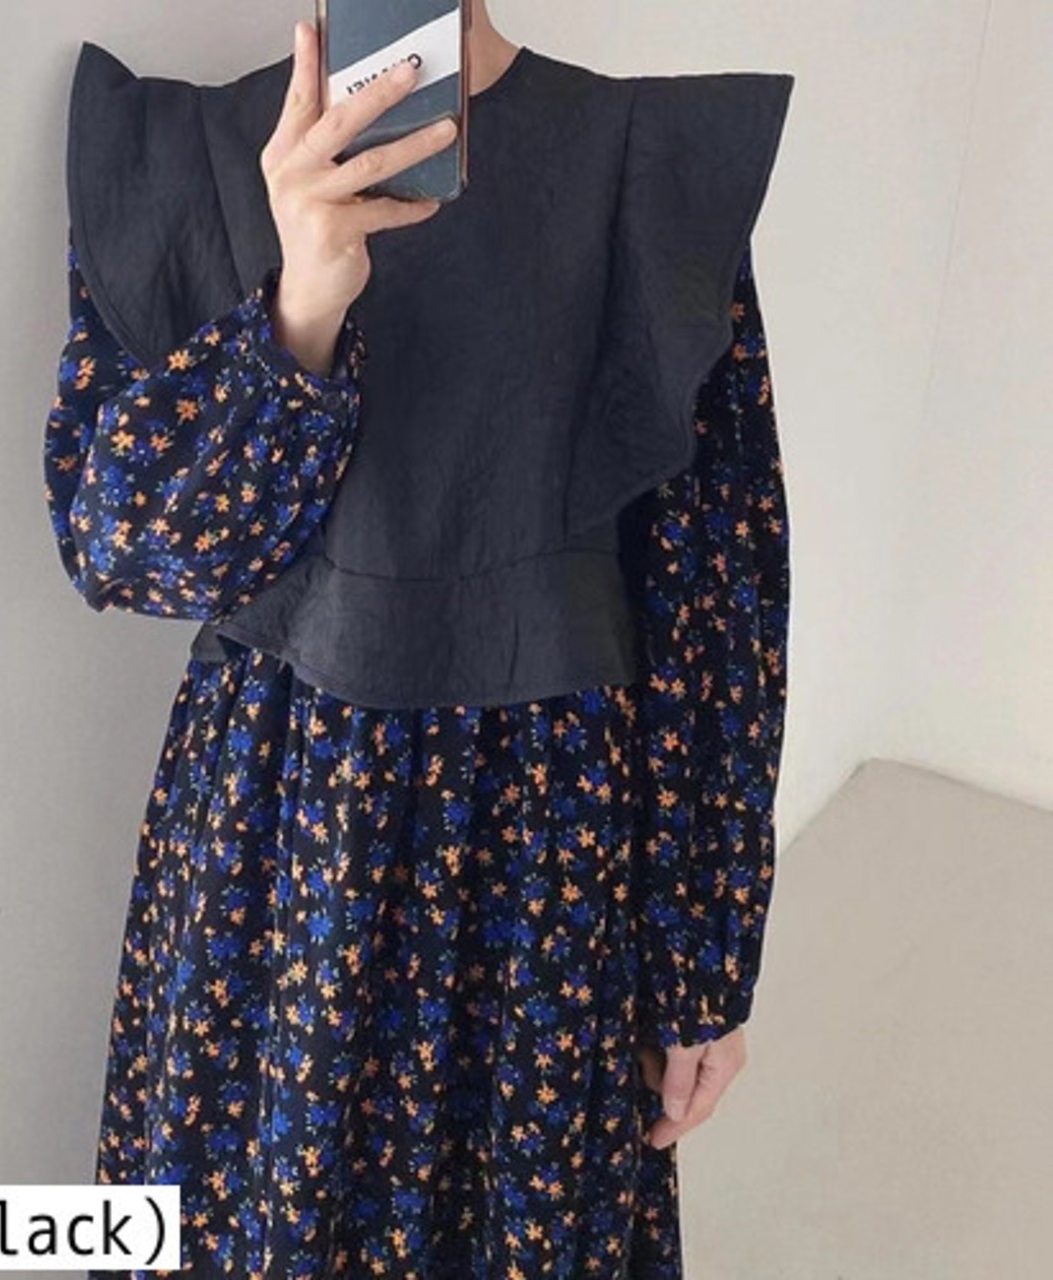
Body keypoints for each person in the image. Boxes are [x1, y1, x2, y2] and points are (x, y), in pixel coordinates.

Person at [43, 5, 790, 1275]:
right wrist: (298, 311)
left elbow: (714, 597)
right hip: (279, 861)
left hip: (540, 871)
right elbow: (122, 550)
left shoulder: (640, 162)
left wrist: (701, 961)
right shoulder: (182, 156)